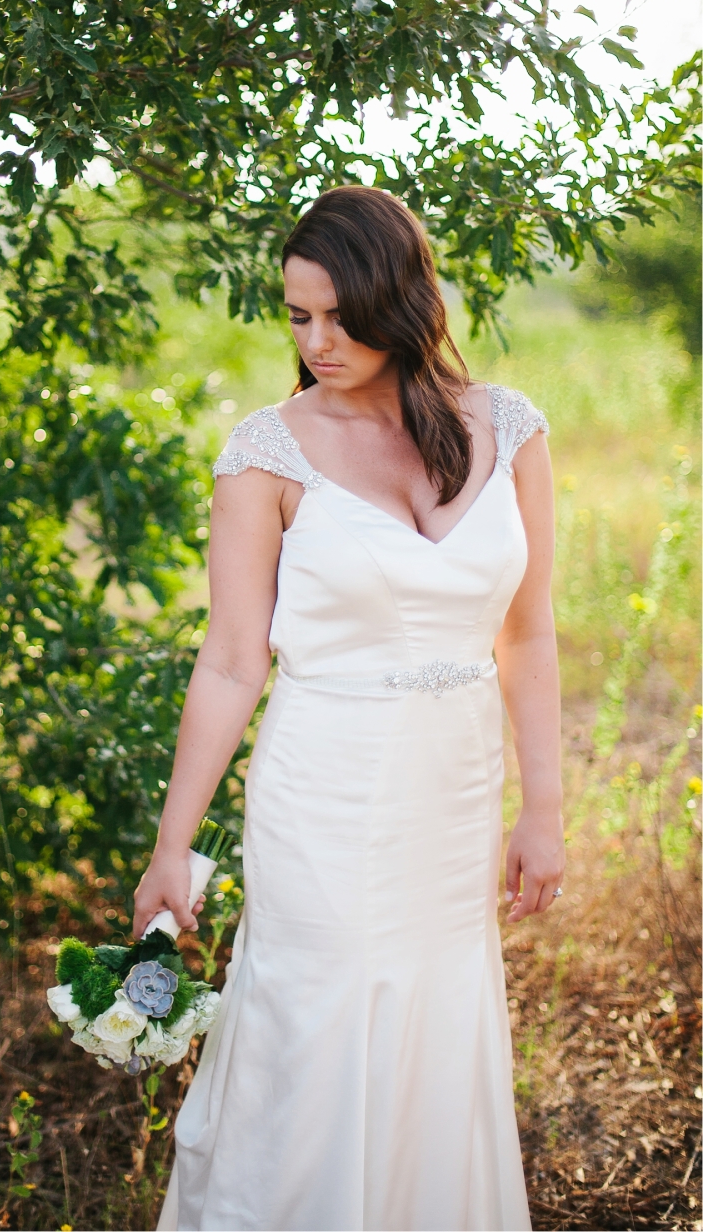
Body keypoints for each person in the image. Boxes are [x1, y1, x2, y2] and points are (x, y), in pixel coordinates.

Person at [135, 186, 565, 1232]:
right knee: (315, 1021)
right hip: (322, 791)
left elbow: (529, 630)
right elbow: (234, 661)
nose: (315, 340)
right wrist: (170, 846)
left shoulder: (507, 428)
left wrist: (543, 807)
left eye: (338, 314)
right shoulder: (265, 453)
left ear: (402, 299)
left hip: (455, 793)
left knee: (436, 1014)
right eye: (296, 316)